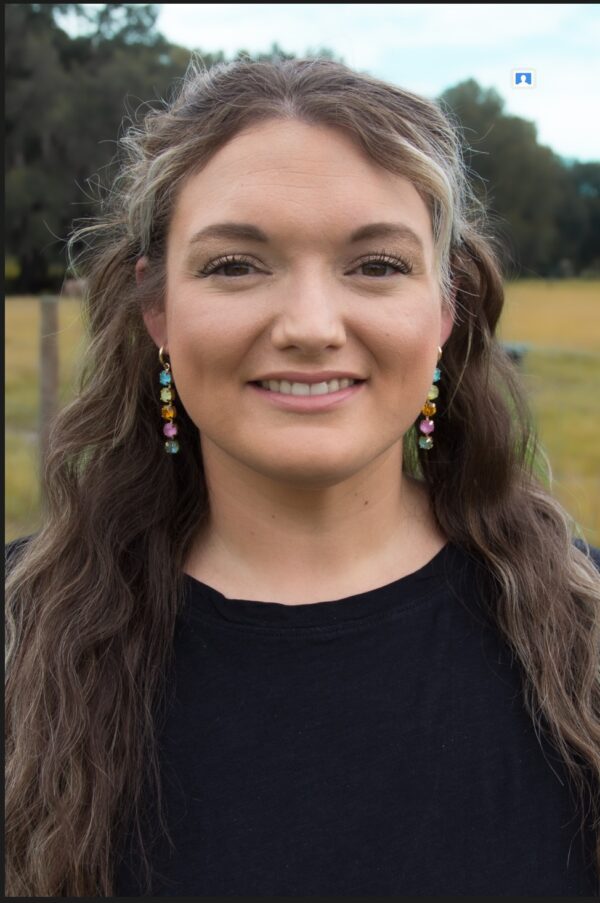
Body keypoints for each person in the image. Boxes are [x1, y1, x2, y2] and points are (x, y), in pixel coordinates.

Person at [5, 56, 600, 898]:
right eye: (237, 265)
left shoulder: (587, 642)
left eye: (378, 265)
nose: (312, 327)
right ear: (157, 308)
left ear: (446, 308)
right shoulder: (19, 645)